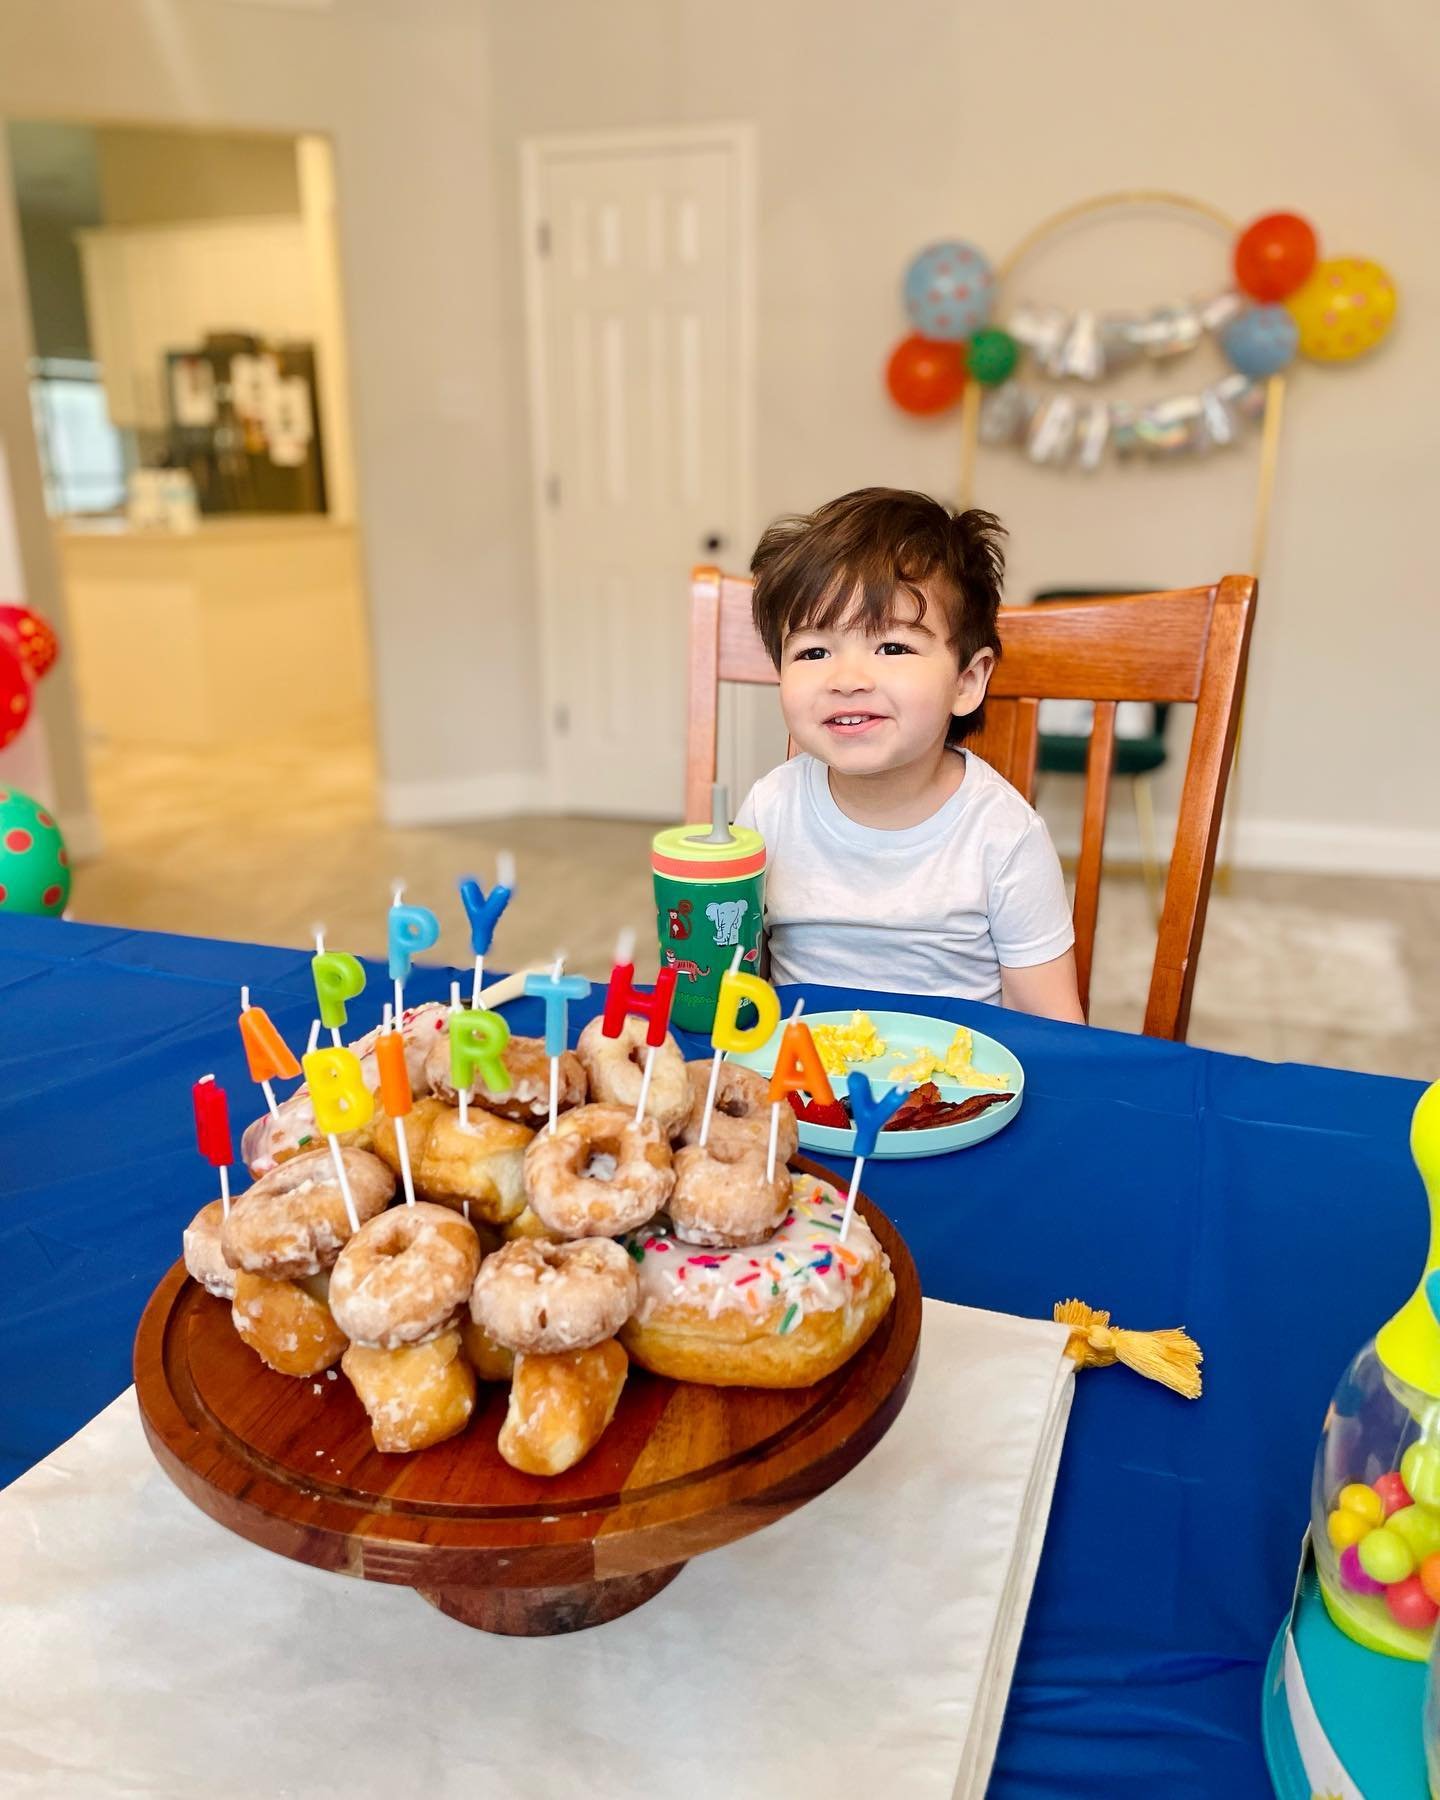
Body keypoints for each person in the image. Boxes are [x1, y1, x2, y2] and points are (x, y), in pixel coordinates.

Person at [734, 487, 1084, 1022]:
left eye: (892, 647)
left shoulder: (1004, 836)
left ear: (966, 682)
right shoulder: (769, 809)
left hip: (954, 1095)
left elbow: (1053, 1030)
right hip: (797, 1089)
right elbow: (731, 990)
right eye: (813, 651)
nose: (847, 679)